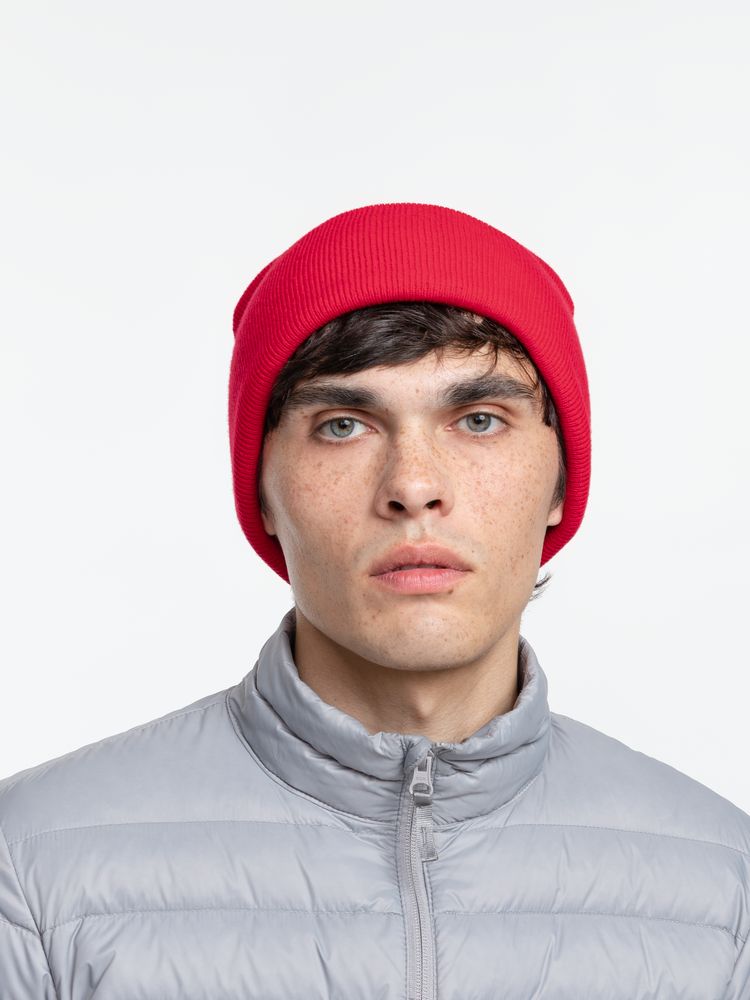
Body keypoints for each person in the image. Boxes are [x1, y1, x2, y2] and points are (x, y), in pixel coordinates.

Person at [1, 202, 748, 998]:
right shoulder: (33, 869)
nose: (413, 487)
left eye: (480, 419)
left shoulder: (723, 893)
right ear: (261, 490)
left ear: (561, 481)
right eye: (343, 425)